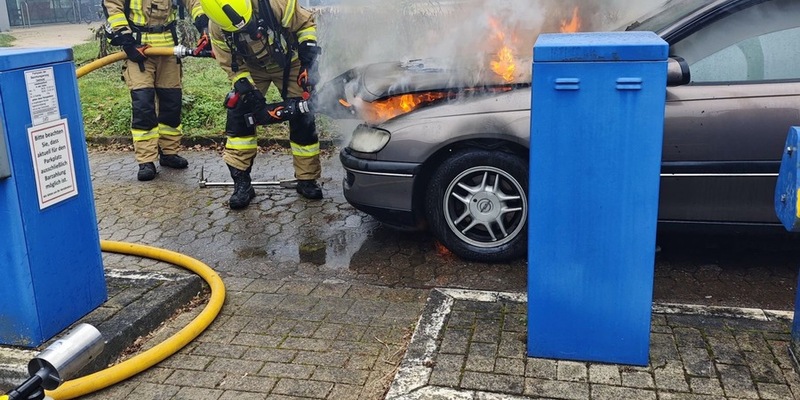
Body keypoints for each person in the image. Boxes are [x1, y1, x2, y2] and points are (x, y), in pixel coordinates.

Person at [198, 0, 323, 209]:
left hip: (290, 62)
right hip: (252, 67)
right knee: (239, 115)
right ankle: (242, 182)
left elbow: (305, 24)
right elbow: (230, 63)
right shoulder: (217, 25)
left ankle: (307, 179)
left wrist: (308, 60)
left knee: (303, 114)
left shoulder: (274, 3)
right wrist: (246, 88)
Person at [103, 0, 210, 181]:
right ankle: (146, 160)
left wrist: (203, 24)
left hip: (168, 50)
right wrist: (128, 43)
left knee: (171, 103)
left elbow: (194, 2)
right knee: (143, 104)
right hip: (139, 51)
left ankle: (169, 153)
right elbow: (113, 7)